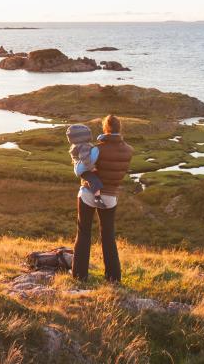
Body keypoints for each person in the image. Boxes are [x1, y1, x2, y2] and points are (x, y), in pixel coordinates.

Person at [71, 114, 133, 283]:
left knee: (84, 233)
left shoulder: (97, 149)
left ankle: (79, 276)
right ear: (120, 129)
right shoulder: (129, 150)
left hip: (88, 194)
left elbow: (80, 170)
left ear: (105, 129)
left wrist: (76, 162)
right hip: (111, 197)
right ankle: (113, 277)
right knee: (108, 236)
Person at [66, 123, 104, 205]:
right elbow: (85, 158)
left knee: (92, 179)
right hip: (84, 169)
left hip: (81, 169)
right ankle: (97, 198)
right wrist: (91, 168)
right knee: (94, 180)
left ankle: (96, 195)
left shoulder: (76, 145)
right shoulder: (84, 146)